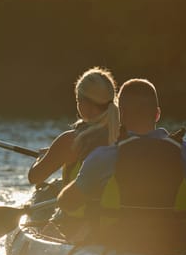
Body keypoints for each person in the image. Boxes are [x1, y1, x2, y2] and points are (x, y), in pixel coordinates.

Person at [57, 78, 186, 255]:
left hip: (119, 247)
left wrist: (96, 198)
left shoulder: (103, 157)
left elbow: (66, 202)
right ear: (157, 114)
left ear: (121, 115)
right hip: (174, 247)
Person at [27, 67, 120, 238]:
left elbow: (35, 177)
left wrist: (41, 158)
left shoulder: (71, 140)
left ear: (83, 103)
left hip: (76, 228)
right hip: (116, 226)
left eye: (78, 100)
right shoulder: (125, 136)